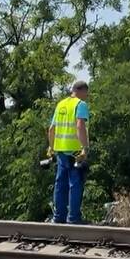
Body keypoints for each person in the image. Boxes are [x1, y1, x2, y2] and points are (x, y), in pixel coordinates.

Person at [47, 80, 90, 224]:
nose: (86, 97)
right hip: (75, 152)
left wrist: (51, 147)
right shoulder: (80, 104)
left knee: (60, 184)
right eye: (86, 94)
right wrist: (84, 148)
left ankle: (58, 217)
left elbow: (51, 129)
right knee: (75, 184)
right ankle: (73, 218)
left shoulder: (61, 104)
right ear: (82, 91)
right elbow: (80, 126)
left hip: (60, 151)